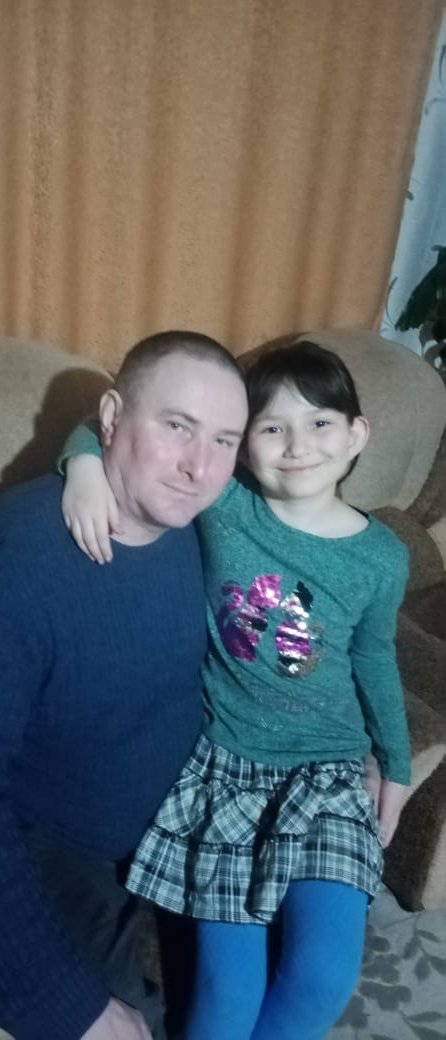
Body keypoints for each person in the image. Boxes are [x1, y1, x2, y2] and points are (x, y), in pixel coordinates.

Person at [59, 340, 411, 1040]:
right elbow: (102, 426)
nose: (297, 446)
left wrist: (396, 768)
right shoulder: (225, 504)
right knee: (228, 992)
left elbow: (375, 656)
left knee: (322, 977)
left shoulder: (383, 557)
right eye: (272, 427)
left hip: (331, 774)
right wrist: (84, 469)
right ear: (244, 447)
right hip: (225, 775)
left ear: (356, 435)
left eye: (320, 423)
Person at [0, 331, 249, 1040]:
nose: (199, 467)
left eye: (224, 440)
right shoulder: (9, 565)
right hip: (54, 844)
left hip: (179, 815)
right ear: (111, 418)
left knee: (260, 982)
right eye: (176, 426)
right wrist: (67, 1006)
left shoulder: (217, 526)